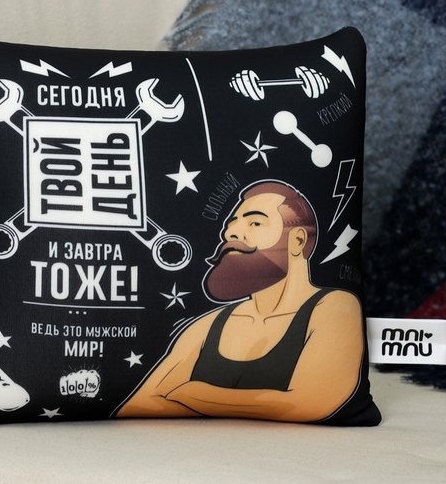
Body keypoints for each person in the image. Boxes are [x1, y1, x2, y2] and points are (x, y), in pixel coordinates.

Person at [116, 180, 364, 423]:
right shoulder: (206, 326)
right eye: (231, 224)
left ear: (297, 240)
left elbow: (314, 402)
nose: (230, 233)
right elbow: (141, 402)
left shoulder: (333, 306)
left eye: (255, 222)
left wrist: (192, 392)